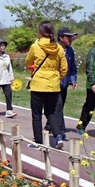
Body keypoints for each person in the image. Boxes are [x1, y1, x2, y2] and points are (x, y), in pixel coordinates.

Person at [25, 21, 68, 149]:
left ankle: (38, 142)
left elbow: (29, 61)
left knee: (37, 114)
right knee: (52, 112)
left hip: (38, 84)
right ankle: (58, 136)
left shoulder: (35, 46)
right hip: (53, 85)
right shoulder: (59, 48)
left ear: (40, 32)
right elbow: (64, 68)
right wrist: (56, 78)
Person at [47, 27, 78, 138]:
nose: (71, 39)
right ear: (61, 37)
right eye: (68, 36)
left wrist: (73, 80)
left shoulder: (70, 50)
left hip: (64, 82)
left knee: (60, 105)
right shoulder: (54, 49)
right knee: (58, 105)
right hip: (54, 82)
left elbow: (72, 66)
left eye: (72, 36)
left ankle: (50, 124)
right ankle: (60, 129)